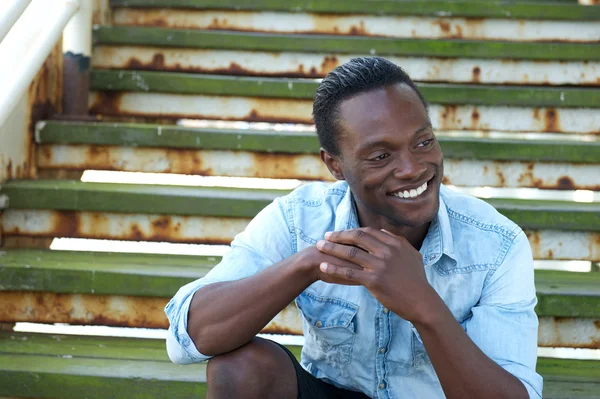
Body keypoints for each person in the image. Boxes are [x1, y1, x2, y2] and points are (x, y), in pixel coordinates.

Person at [165, 57, 543, 399]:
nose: (413, 168)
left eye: (423, 142)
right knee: (240, 367)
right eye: (381, 156)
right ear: (335, 165)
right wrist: (313, 262)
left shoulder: (496, 243)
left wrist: (424, 305)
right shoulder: (301, 219)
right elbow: (188, 339)